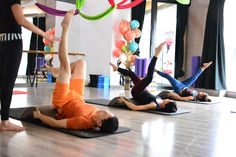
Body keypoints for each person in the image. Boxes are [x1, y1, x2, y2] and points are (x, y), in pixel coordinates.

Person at [33, 10, 119, 133]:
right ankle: (57, 71)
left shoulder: (83, 122)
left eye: (107, 114)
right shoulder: (99, 115)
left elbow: (56, 123)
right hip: (77, 96)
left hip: (63, 100)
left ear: (99, 123)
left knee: (66, 67)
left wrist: (39, 116)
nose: (106, 111)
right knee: (81, 63)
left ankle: (65, 28)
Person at [0, 0, 59, 131]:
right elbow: (21, 20)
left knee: (3, 84)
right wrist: (44, 34)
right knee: (7, 84)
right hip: (12, 42)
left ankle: (3, 120)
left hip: (2, 42)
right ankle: (4, 122)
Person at [110, 42, 177, 112]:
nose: (168, 99)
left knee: (149, 78)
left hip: (137, 92)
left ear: (165, 105)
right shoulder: (161, 101)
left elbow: (135, 108)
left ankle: (156, 54)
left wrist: (123, 100)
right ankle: (116, 69)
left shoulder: (154, 105)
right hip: (142, 89)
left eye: (169, 100)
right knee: (132, 75)